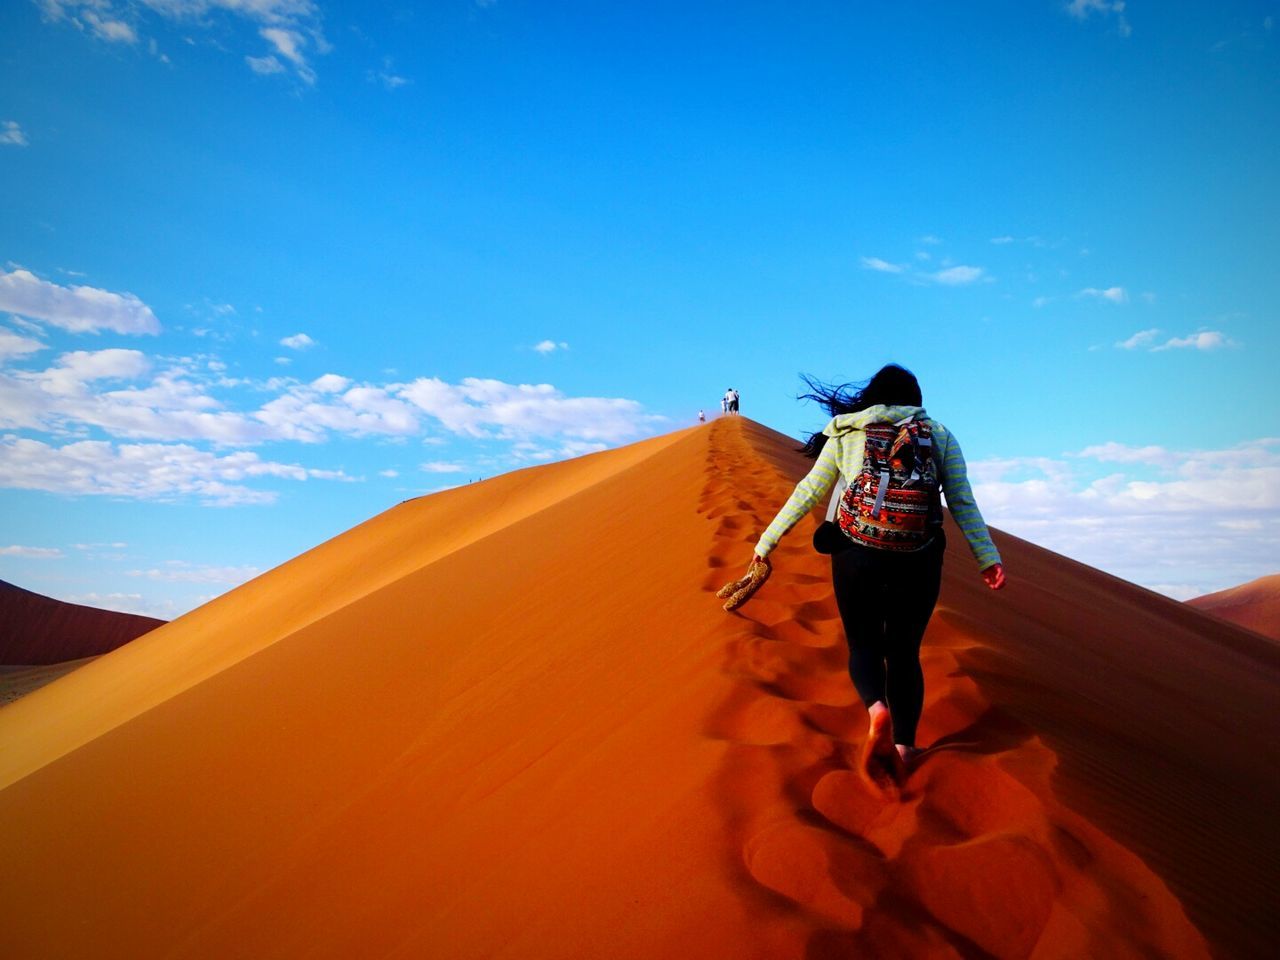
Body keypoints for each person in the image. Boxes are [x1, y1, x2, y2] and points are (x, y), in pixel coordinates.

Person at [716, 363, 1005, 783]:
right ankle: (905, 747)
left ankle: (877, 708)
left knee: (863, 645)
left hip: (856, 555)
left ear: (872, 397)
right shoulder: (939, 436)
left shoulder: (846, 432)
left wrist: (766, 543)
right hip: (918, 557)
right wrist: (987, 556)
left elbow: (809, 490)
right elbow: (962, 501)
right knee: (905, 653)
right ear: (915, 400)